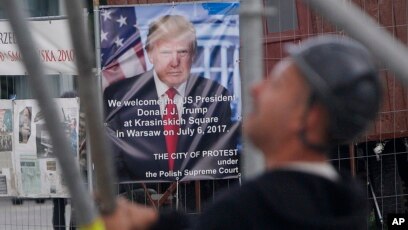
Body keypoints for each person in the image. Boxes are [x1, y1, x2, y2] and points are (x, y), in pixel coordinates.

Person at [101, 35, 382, 230]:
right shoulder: (343, 200)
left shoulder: (246, 209)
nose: (255, 89)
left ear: (308, 116)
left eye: (276, 84)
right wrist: (157, 223)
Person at [104, 15, 238, 181]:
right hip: (140, 200)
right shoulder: (119, 96)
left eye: (182, 52)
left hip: (198, 201)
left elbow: (223, 160)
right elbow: (114, 164)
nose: (175, 62)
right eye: (166, 52)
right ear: (150, 54)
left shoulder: (215, 95)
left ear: (193, 54)